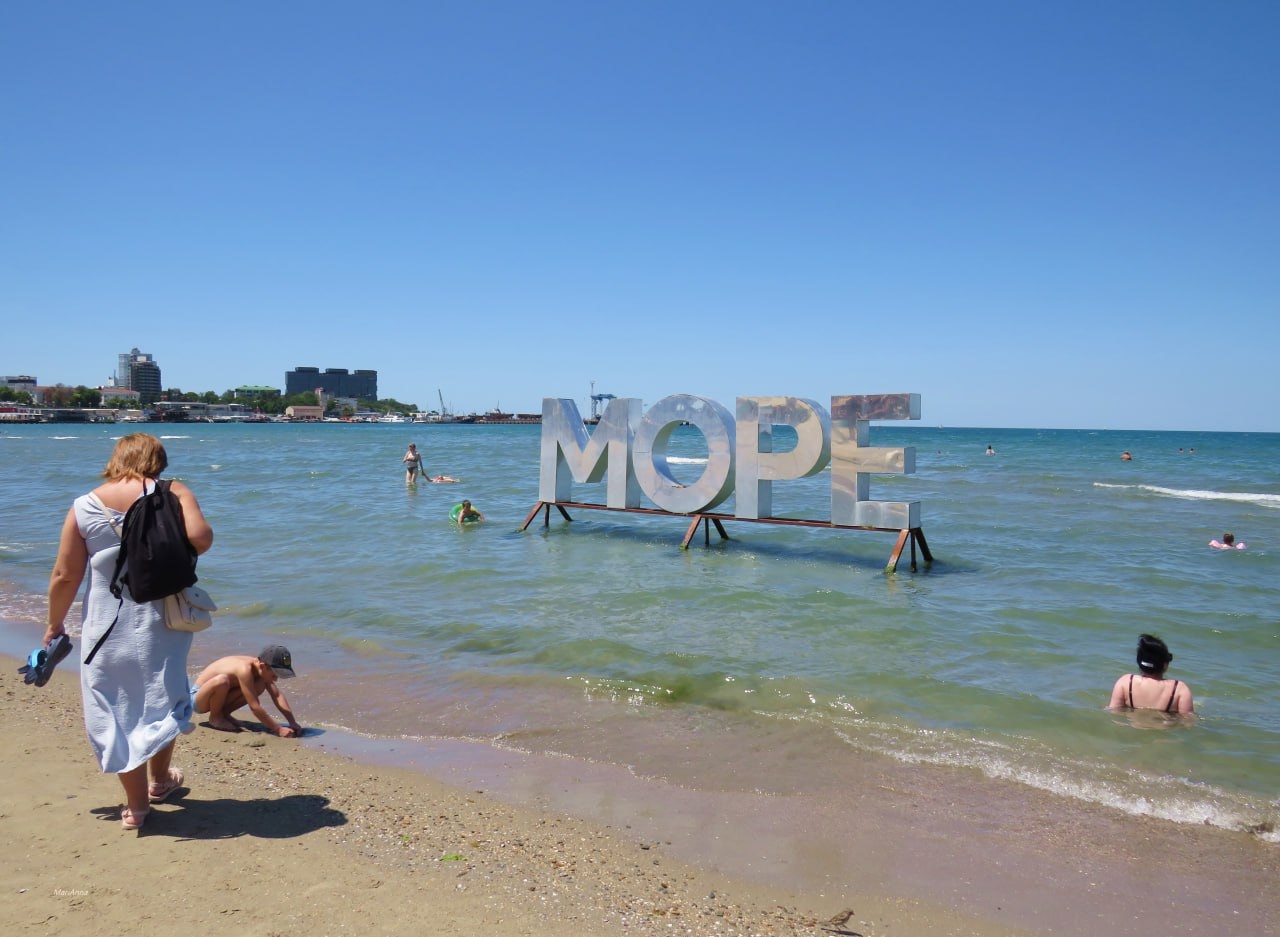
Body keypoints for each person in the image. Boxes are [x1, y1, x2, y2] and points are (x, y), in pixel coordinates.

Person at [44, 433, 214, 831]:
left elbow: (65, 575)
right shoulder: (172, 492)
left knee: (115, 709)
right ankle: (161, 781)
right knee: (164, 699)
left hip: (106, 625)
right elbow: (201, 539)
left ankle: (137, 807)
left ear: (116, 459)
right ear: (159, 461)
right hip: (161, 620)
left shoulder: (84, 505)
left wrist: (54, 623)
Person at [191, 645, 303, 738]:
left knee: (259, 685)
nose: (276, 679)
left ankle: (224, 714)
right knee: (222, 681)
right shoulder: (244, 670)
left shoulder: (259, 668)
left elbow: (277, 695)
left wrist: (292, 722)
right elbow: (254, 706)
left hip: (218, 695)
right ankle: (215, 717)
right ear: (263, 666)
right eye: (274, 675)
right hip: (198, 698)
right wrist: (278, 729)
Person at [1107, 634, 1193, 714]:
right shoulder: (1179, 689)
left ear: (1139, 662)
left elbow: (1113, 711)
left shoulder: (1125, 682)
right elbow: (1188, 721)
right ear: (1165, 665)